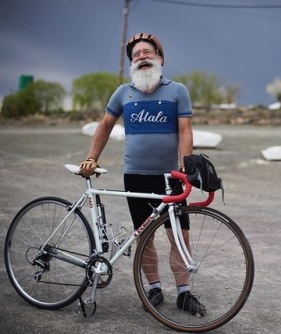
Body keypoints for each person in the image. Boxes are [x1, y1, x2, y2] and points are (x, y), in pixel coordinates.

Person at [79, 32, 205, 316]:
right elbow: (105, 125)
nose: (142, 57)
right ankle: (154, 289)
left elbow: (185, 130)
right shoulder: (123, 92)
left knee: (180, 236)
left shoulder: (178, 90)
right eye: (136, 55)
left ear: (160, 57)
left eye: (147, 52)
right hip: (135, 176)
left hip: (170, 177)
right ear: (131, 63)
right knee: (144, 236)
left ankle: (184, 293)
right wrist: (91, 158)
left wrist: (186, 168)